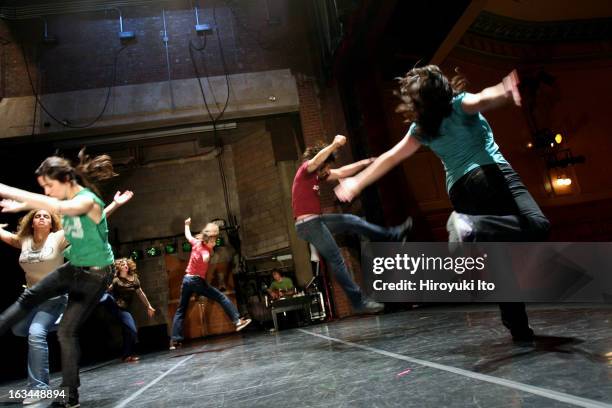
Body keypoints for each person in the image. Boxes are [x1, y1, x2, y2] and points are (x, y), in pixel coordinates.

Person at [334, 65, 550, 341]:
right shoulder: (459, 105)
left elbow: (390, 157)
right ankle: (474, 226)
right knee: (538, 225)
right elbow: (483, 97)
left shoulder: (421, 129)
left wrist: (356, 182)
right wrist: (504, 90)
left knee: (498, 260)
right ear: (444, 88)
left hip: (460, 191)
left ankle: (519, 329)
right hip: (490, 175)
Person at [0, 149, 121, 407]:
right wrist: (24, 206)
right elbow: (54, 207)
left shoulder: (87, 201)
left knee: (66, 332)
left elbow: (57, 206)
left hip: (97, 274)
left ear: (64, 181)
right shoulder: (66, 204)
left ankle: (70, 395)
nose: (46, 192)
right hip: (75, 266)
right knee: (30, 295)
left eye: (47, 186)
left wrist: (8, 190)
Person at [292, 135, 413, 314]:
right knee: (337, 260)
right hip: (307, 224)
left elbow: (342, 172)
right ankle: (358, 301)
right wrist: (334, 144)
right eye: (325, 167)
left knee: (351, 221)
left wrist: (366, 163)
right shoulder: (306, 170)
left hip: (315, 221)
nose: (327, 171)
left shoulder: (318, 176)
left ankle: (392, 235)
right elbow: (317, 160)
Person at [169, 218, 251, 350]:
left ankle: (175, 340)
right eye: (212, 241)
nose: (214, 243)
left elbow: (188, 235)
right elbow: (205, 256)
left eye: (215, 241)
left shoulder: (196, 243)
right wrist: (207, 256)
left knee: (181, 310)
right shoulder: (205, 251)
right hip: (196, 281)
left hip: (187, 280)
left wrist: (186, 225)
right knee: (221, 297)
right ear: (206, 241)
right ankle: (237, 321)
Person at [99, 257, 155, 363]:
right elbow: (108, 290)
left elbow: (141, 293)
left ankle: (126, 356)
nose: (125, 265)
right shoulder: (116, 281)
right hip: (116, 308)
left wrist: (149, 306)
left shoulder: (134, 279)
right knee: (132, 330)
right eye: (123, 264)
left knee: (127, 332)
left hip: (126, 309)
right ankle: (95, 300)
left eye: (126, 264)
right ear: (119, 267)